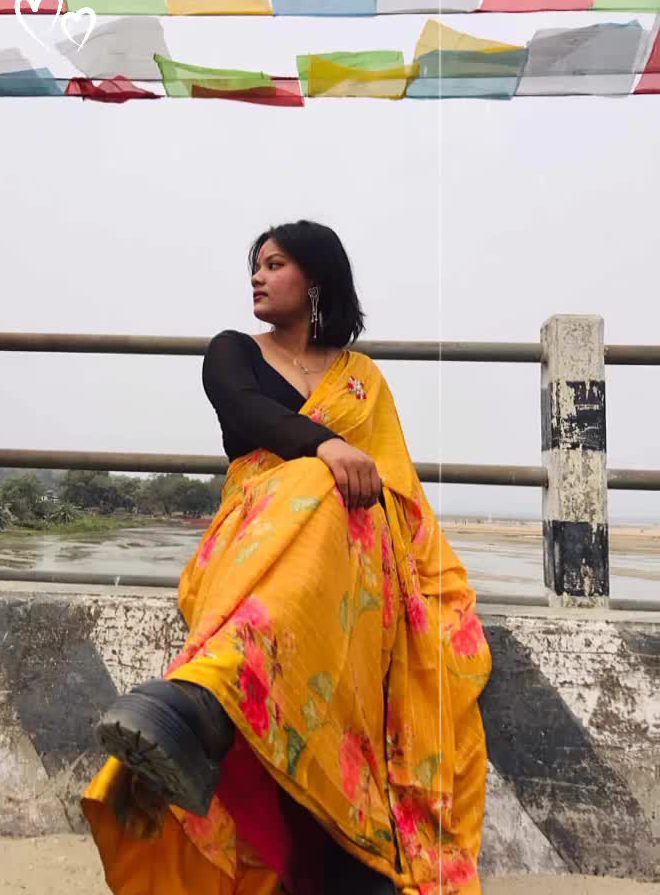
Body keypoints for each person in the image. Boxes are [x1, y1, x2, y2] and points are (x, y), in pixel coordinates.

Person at [82, 220, 492, 895]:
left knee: (337, 538)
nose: (257, 276)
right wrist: (324, 450)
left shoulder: (362, 381)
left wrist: (336, 472)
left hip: (355, 556)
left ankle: (209, 711)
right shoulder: (233, 352)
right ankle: (216, 705)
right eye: (257, 265)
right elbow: (245, 413)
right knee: (310, 482)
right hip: (254, 537)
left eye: (274, 264)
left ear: (315, 279)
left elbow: (392, 485)